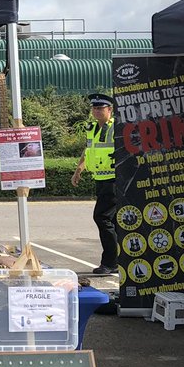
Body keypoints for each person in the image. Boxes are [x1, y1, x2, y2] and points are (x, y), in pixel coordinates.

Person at [71, 92, 117, 276]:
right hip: (101, 180)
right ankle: (117, 260)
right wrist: (79, 169)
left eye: (101, 108)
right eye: (94, 108)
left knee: (102, 218)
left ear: (110, 110)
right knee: (112, 221)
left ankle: (110, 262)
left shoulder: (116, 128)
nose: (97, 111)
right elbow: (88, 149)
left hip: (114, 180)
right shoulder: (92, 128)